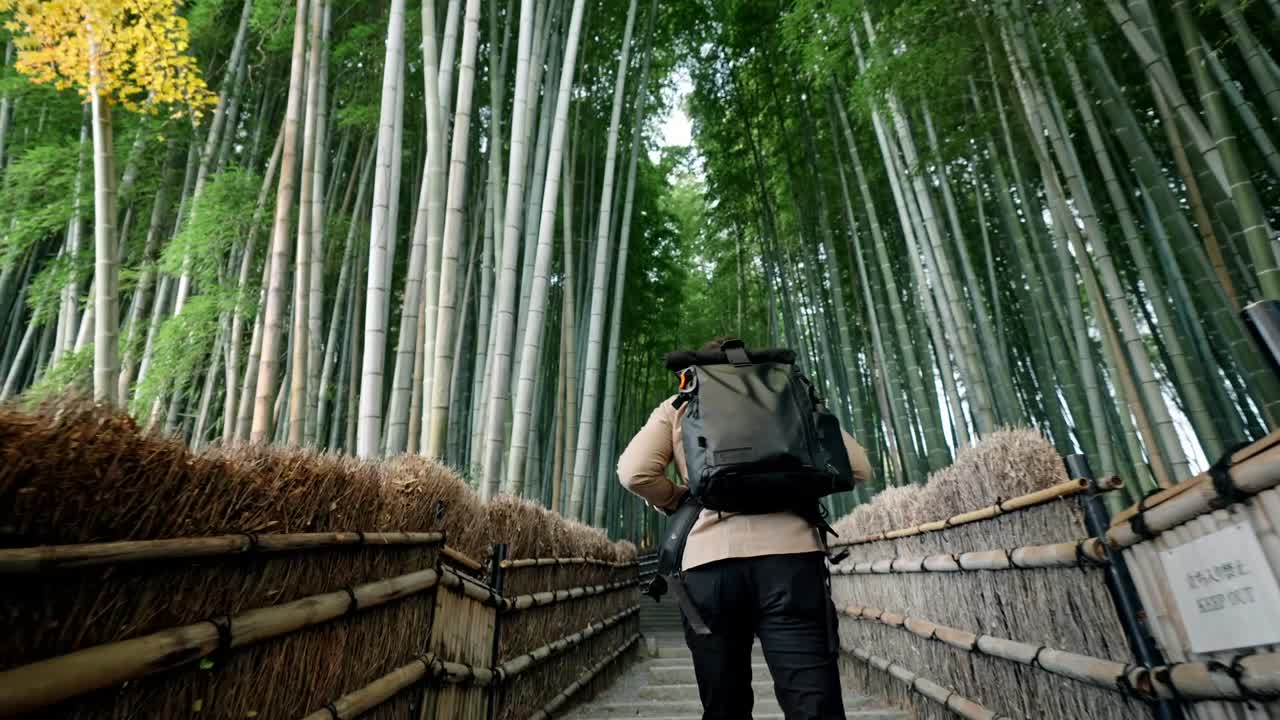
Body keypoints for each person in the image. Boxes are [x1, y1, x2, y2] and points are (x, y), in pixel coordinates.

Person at [617, 338, 873, 720]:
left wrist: (681, 499)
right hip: (791, 562)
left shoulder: (683, 401)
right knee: (812, 702)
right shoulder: (790, 394)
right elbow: (857, 468)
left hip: (708, 567)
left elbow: (634, 472)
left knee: (725, 706)